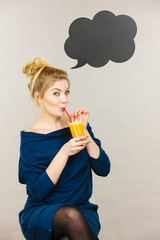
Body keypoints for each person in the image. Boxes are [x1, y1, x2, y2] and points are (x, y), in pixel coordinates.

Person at [18, 57, 111, 240]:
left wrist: (86, 134)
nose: (65, 100)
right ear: (39, 96)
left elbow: (104, 169)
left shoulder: (75, 126)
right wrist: (64, 152)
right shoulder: (31, 139)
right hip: (43, 213)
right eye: (56, 93)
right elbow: (37, 192)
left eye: (67, 92)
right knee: (70, 216)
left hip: (82, 210)